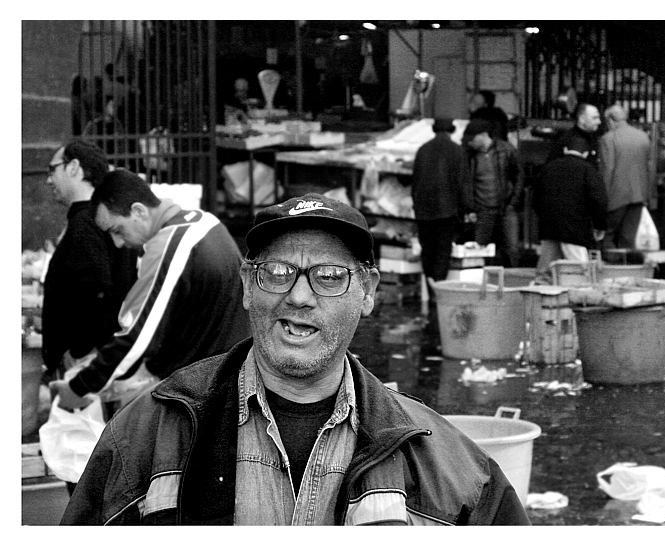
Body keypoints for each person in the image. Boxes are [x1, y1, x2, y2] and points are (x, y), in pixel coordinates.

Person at [60, 193, 531, 526]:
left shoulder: (448, 468)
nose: (299, 297)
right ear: (248, 286)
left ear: (368, 292)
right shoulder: (149, 435)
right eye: (278, 272)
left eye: (329, 276)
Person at [49, 169, 250, 412]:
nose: (118, 243)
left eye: (117, 230)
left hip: (202, 394)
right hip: (226, 376)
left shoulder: (170, 246)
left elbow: (138, 338)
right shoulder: (205, 222)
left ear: (139, 211)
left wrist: (79, 387)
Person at [41, 141, 139, 386]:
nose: (49, 180)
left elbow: (98, 290)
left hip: (86, 364)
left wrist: (79, 350)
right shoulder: (104, 218)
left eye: (52, 169)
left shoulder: (86, 224)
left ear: (74, 167)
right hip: (105, 357)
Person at [533, 136, 609, 278]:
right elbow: (598, 201)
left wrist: (544, 216)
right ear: (585, 154)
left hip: (549, 225)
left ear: (565, 150)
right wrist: (600, 225)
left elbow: (536, 198)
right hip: (575, 229)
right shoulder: (588, 170)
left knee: (546, 269)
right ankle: (579, 289)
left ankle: (541, 286)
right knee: (580, 269)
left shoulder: (548, 168)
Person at [411, 118, 469, 283]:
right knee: (442, 250)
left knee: (427, 249)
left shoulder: (423, 150)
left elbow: (415, 181)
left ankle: (429, 283)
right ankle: (438, 284)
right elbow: (463, 182)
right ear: (451, 131)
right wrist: (468, 207)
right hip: (447, 209)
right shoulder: (457, 150)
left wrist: (416, 205)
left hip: (423, 210)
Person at [462, 119, 524, 268]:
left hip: (506, 207)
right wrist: (471, 208)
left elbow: (519, 176)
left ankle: (511, 277)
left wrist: (513, 202)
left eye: (472, 138)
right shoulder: (469, 155)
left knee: (511, 250)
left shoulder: (506, 150)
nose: (469, 142)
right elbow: (465, 183)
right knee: (481, 250)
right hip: (483, 209)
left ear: (483, 135)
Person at [598, 104, 655, 250]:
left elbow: (608, 168)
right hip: (639, 196)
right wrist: (649, 195)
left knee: (608, 236)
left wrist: (602, 198)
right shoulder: (643, 137)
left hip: (616, 196)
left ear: (610, 121)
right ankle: (629, 262)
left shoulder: (608, 139)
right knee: (630, 238)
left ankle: (611, 263)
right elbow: (650, 167)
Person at [548, 103, 602, 167]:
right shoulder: (567, 139)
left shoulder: (594, 138)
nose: (599, 122)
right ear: (582, 119)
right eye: (594, 118)